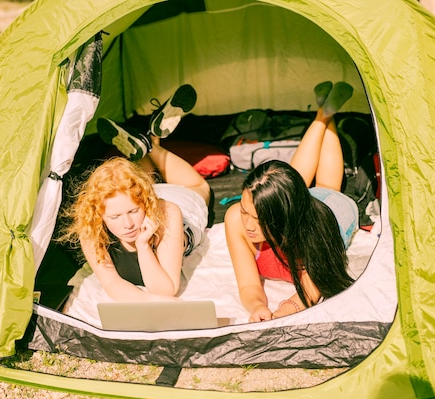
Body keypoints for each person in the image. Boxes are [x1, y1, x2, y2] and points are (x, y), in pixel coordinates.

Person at [224, 81, 359, 322]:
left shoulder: (314, 230)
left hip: (334, 210)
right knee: (288, 182)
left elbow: (312, 285)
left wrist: (289, 307)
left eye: (259, 219)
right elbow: (247, 284)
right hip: (292, 203)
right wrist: (257, 307)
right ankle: (324, 114)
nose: (249, 225)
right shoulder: (236, 218)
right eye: (246, 211)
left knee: (328, 187)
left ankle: (328, 115)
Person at [62, 85, 211, 302]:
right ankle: (149, 143)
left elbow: (166, 289)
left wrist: (142, 245)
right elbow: (112, 284)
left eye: (133, 212)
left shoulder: (169, 211)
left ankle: (149, 145)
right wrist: (150, 305)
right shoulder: (91, 226)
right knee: (141, 178)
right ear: (100, 214)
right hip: (137, 193)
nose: (128, 224)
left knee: (199, 188)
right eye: (115, 217)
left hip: (179, 199)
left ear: (144, 202)